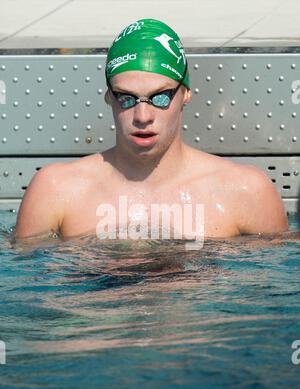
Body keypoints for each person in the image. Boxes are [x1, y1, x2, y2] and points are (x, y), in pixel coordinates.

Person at [14, 18, 288, 243]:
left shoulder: (246, 191)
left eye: (160, 97)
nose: (143, 116)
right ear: (108, 97)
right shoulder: (55, 191)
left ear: (186, 93)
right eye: (126, 98)